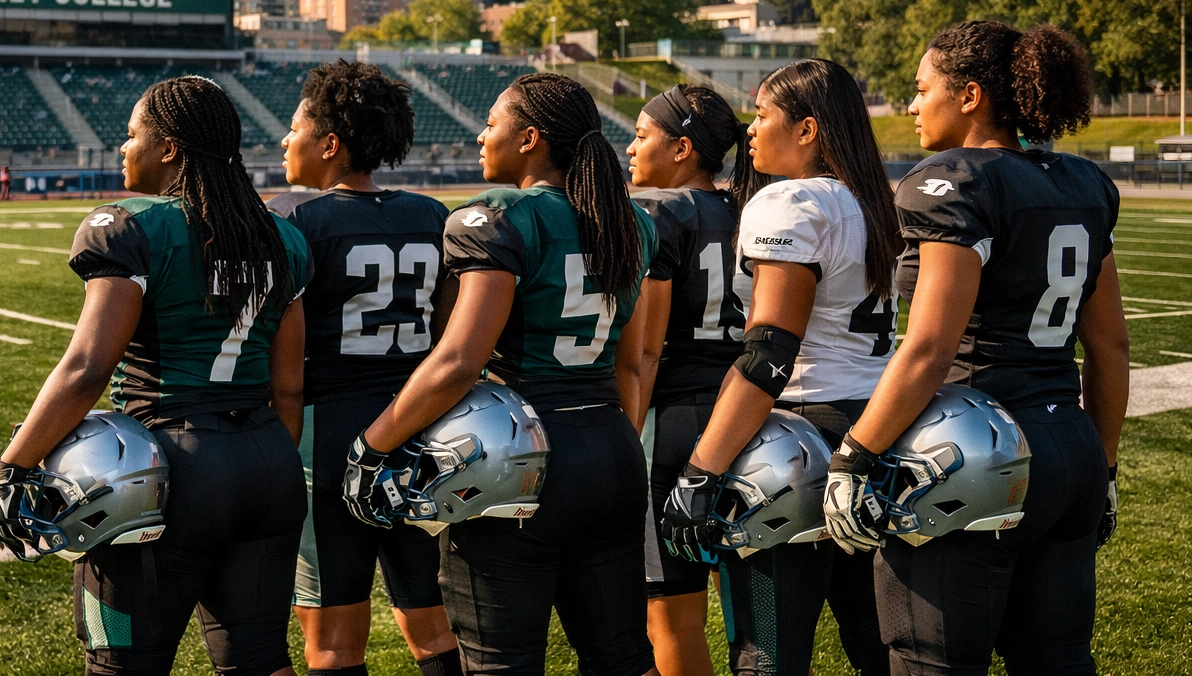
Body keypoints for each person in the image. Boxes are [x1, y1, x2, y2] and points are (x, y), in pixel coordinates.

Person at [826, 21, 1129, 676]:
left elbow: (930, 346)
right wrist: (1102, 466)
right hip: (1070, 449)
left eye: (921, 88)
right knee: (1058, 661)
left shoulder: (951, 180)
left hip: (977, 452)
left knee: (932, 663)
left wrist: (855, 456)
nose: (911, 104)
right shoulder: (1083, 181)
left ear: (968, 95)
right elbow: (1110, 346)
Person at [0, 76, 312, 676]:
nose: (122, 148)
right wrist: (259, 458)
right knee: (261, 660)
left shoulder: (132, 226)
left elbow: (86, 370)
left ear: (169, 150)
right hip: (269, 461)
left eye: (132, 136)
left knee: (120, 663)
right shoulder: (283, 237)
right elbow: (288, 386)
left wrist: (12, 466)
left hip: (168, 464)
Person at [348, 72, 660, 676]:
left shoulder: (499, 216)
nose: (481, 135)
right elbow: (633, 361)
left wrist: (372, 444)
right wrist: (609, 443)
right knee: (622, 656)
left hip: (519, 457)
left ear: (530, 139)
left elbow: (459, 360)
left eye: (493, 124)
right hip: (613, 444)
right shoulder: (632, 220)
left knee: (500, 662)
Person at [660, 59, 900, 676]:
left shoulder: (790, 201)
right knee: (879, 646)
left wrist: (700, 470)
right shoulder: (870, 199)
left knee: (767, 655)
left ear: (807, 130)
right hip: (874, 433)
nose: (750, 129)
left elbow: (769, 352)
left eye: (763, 114)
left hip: (801, 440)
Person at [268, 61, 461, 676]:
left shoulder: (296, 218)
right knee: (434, 627)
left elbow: (283, 367)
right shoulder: (434, 215)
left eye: (295, 127)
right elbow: (449, 336)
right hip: (419, 431)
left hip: (329, 438)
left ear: (330, 143)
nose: (284, 141)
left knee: (332, 644)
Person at [624, 85, 753, 676]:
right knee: (753, 608)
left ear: (682, 148)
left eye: (643, 135)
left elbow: (646, 352)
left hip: (675, 422)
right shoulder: (754, 211)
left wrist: (626, 435)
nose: (630, 147)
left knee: (670, 615)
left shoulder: (661, 214)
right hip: (750, 412)